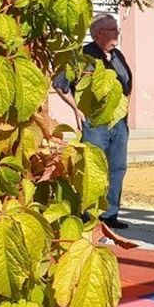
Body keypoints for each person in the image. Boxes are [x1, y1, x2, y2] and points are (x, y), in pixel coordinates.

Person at [55, 13, 133, 233]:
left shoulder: (117, 55)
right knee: (92, 168)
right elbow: (60, 83)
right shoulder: (83, 56)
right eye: (113, 29)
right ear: (99, 33)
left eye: (117, 29)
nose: (117, 32)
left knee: (117, 167)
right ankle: (89, 214)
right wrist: (77, 109)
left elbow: (126, 85)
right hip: (95, 122)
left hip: (118, 123)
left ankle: (110, 214)